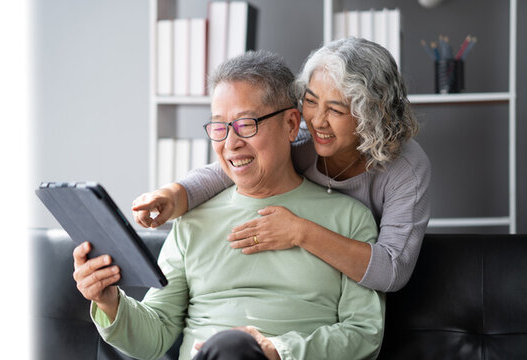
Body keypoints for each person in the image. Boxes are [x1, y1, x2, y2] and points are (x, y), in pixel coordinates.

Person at [74, 51, 384, 360]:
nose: (230, 143)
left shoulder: (349, 220)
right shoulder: (193, 222)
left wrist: (278, 351)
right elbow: (153, 338)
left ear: (291, 124)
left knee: (232, 349)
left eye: (246, 124)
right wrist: (109, 302)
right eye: (219, 127)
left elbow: (363, 333)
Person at [133, 37, 430, 292]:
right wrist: (174, 194)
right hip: (305, 276)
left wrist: (300, 232)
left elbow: (392, 269)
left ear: (372, 114)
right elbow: (229, 167)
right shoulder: (302, 138)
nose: (317, 121)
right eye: (311, 102)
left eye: (336, 109)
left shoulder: (406, 168)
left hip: (361, 291)